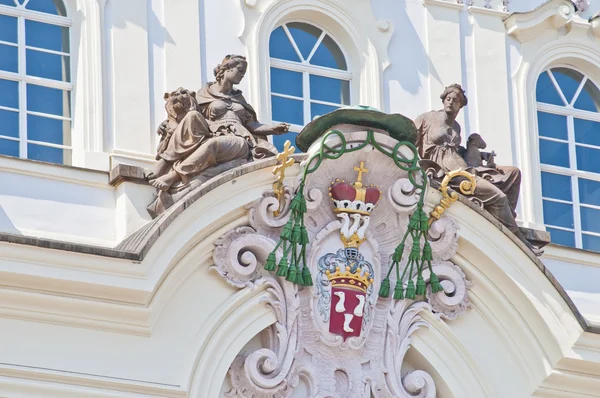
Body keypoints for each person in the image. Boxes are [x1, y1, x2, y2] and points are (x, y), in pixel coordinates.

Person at [415, 84, 540, 255]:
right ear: (443, 100)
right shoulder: (426, 118)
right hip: (448, 174)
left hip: (463, 168)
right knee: (499, 196)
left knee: (513, 173)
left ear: (461, 105)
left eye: (455, 100)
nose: (451, 103)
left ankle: (506, 218)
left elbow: (456, 151)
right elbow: (411, 141)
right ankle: (515, 236)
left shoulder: (456, 127)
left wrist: (480, 155)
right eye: (448, 99)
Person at [148, 54, 289, 191]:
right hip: (210, 131)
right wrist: (167, 123)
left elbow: (251, 125)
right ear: (226, 69)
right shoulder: (204, 94)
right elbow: (184, 116)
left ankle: (174, 176)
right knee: (192, 115)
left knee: (213, 144)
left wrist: (272, 129)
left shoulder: (239, 99)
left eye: (244, 73)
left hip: (238, 139)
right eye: (240, 71)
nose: (242, 75)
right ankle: (164, 162)